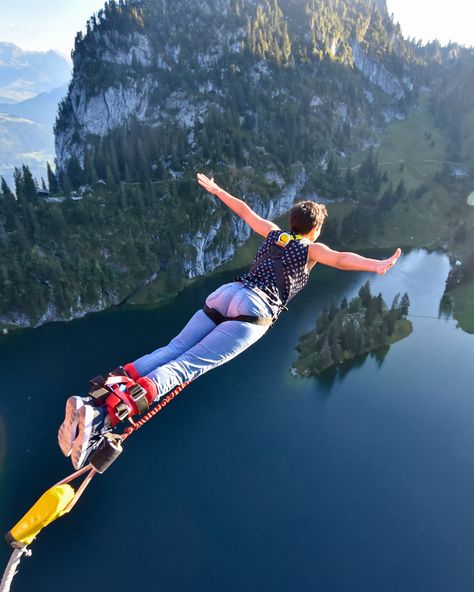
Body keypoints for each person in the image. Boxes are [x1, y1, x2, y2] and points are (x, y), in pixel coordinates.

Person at [59, 172, 401, 469]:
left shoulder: (273, 234)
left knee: (172, 349)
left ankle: (97, 399)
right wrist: (376, 265)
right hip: (254, 311)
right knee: (185, 367)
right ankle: (103, 416)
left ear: (291, 220)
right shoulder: (310, 250)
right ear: (315, 229)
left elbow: (244, 211)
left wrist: (217, 190)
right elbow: (340, 259)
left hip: (227, 293)